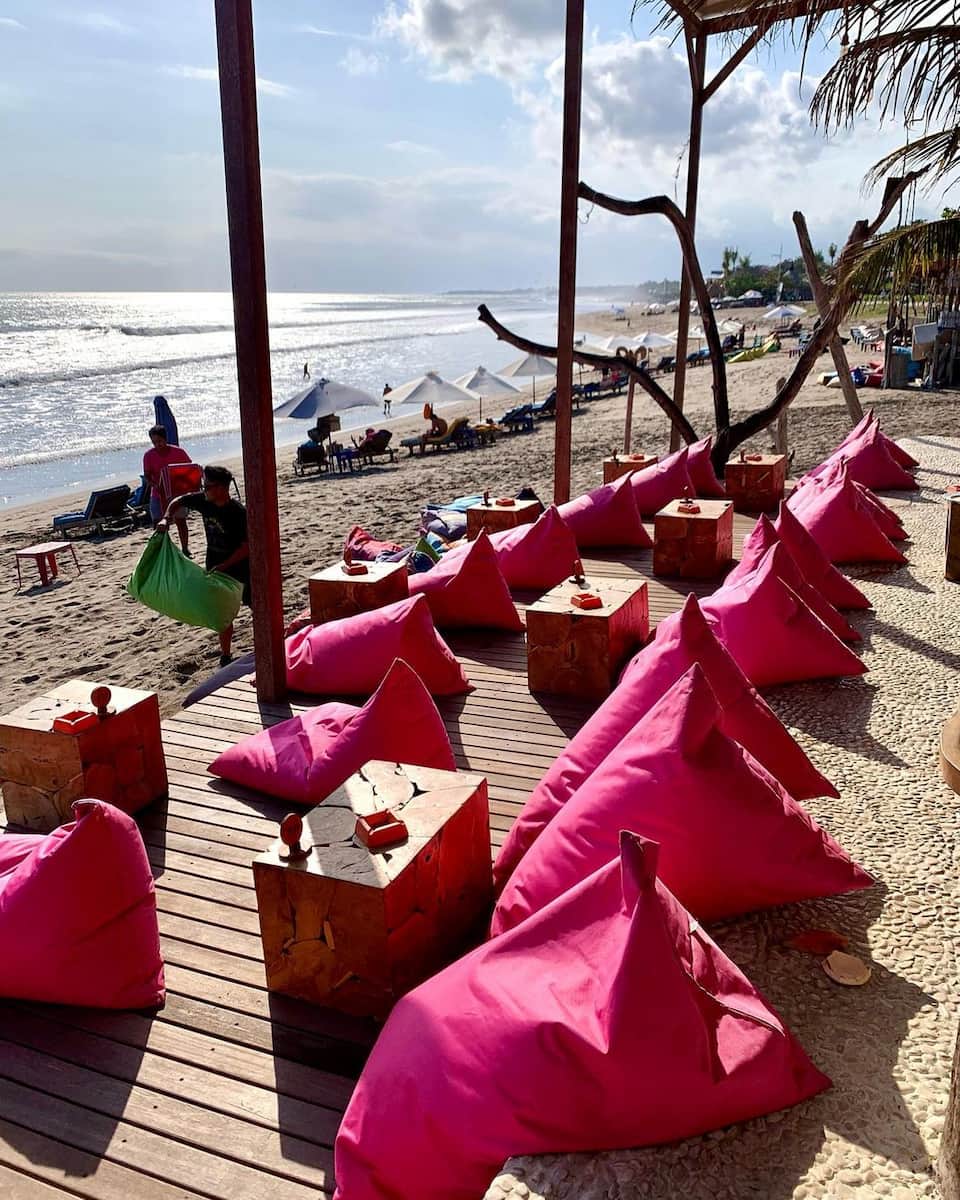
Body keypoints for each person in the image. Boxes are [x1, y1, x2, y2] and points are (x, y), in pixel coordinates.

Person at [159, 465, 249, 667]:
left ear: (221, 488)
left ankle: (267, 644)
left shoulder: (237, 513)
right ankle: (226, 655)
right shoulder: (204, 501)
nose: (203, 489)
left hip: (240, 567)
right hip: (214, 563)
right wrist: (166, 518)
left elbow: (247, 547)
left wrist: (225, 565)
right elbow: (178, 501)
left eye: (207, 486)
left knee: (255, 606)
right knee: (222, 613)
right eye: (203, 485)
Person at [143, 424, 191, 556]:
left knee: (181, 521)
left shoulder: (178, 452)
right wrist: (154, 484)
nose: (157, 444)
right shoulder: (149, 455)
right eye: (154, 442)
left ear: (165, 439)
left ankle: (185, 548)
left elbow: (189, 468)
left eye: (159, 441)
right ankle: (162, 551)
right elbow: (147, 475)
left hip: (177, 492)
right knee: (158, 523)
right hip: (158, 493)